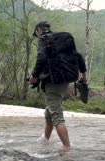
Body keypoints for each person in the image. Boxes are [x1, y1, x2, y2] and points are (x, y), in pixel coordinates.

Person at [29, 21, 87, 152]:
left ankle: (67, 148)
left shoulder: (44, 39)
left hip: (52, 82)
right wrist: (84, 76)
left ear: (39, 30)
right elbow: (79, 57)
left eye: (36, 33)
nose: (37, 36)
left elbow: (41, 58)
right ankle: (45, 139)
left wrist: (34, 77)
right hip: (65, 80)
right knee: (49, 111)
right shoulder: (63, 39)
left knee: (56, 115)